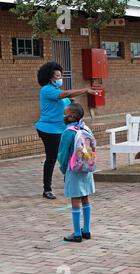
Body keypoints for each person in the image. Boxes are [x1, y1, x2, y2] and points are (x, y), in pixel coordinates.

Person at [36, 62, 98, 200]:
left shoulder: (58, 93)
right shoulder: (47, 90)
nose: (60, 78)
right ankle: (47, 189)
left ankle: (70, 182)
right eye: (57, 76)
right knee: (52, 157)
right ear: (50, 78)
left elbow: (67, 101)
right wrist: (85, 90)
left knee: (70, 155)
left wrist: (71, 101)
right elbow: (65, 93)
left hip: (62, 129)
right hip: (49, 129)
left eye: (61, 75)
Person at [58, 103, 96, 243]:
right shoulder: (86, 128)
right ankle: (86, 230)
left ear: (72, 116)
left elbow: (62, 155)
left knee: (75, 199)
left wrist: (63, 169)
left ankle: (76, 233)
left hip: (73, 169)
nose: (63, 116)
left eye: (65, 113)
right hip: (86, 167)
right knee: (85, 197)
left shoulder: (68, 132)